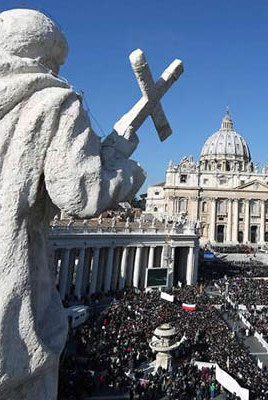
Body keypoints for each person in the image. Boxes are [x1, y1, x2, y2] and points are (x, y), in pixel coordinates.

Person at [0, 9, 144, 399]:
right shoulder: (53, 101)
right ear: (45, 58)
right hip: (12, 290)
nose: (60, 72)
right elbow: (80, 193)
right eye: (57, 63)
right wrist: (130, 173)